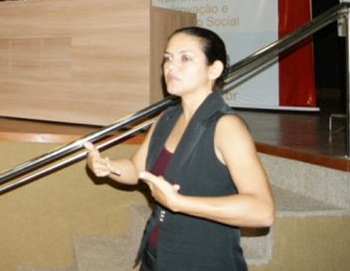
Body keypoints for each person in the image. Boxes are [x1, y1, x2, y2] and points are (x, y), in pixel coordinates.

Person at [83, 27, 274, 270]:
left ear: (213, 69)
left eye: (185, 58)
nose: (171, 67)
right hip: (157, 255)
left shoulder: (226, 126)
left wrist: (180, 203)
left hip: (203, 261)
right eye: (168, 58)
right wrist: (106, 166)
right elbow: (136, 169)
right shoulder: (168, 117)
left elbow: (262, 211)